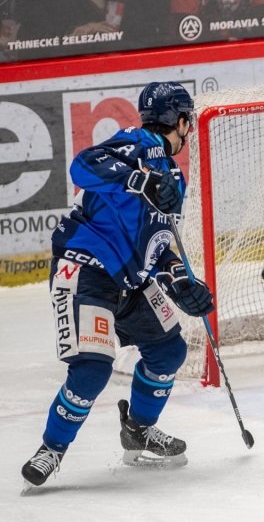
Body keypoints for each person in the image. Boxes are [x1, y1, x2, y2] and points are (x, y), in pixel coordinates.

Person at [20, 82, 215, 490]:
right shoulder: (136, 143)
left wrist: (181, 280)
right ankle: (51, 449)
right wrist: (141, 181)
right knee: (93, 368)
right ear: (179, 120)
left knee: (169, 350)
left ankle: (138, 430)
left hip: (130, 279)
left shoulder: (174, 179)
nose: (189, 130)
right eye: (187, 122)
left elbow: (159, 244)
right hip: (87, 268)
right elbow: (81, 167)